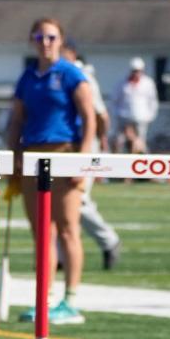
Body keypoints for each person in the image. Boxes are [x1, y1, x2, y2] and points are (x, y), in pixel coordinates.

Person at [3, 19, 96, 325]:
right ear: (32, 40)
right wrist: (14, 156)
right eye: (40, 36)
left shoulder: (72, 74)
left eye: (51, 36)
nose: (45, 42)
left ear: (61, 39)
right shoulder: (27, 77)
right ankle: (45, 299)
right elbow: (17, 119)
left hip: (65, 152)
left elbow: (89, 118)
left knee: (68, 227)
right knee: (42, 232)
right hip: (32, 154)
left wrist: (83, 160)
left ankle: (71, 300)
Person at [58, 44, 121, 270]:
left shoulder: (81, 76)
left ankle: (108, 240)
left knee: (78, 199)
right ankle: (58, 257)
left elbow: (100, 114)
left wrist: (102, 139)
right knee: (57, 200)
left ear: (72, 53)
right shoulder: (53, 73)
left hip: (85, 143)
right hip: (62, 145)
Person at [112, 57, 158, 154]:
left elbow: (153, 101)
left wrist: (149, 116)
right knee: (119, 141)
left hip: (141, 119)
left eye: (138, 71)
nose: (136, 73)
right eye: (134, 71)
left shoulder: (148, 83)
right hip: (124, 119)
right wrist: (118, 114)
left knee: (139, 143)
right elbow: (115, 100)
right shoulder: (122, 83)